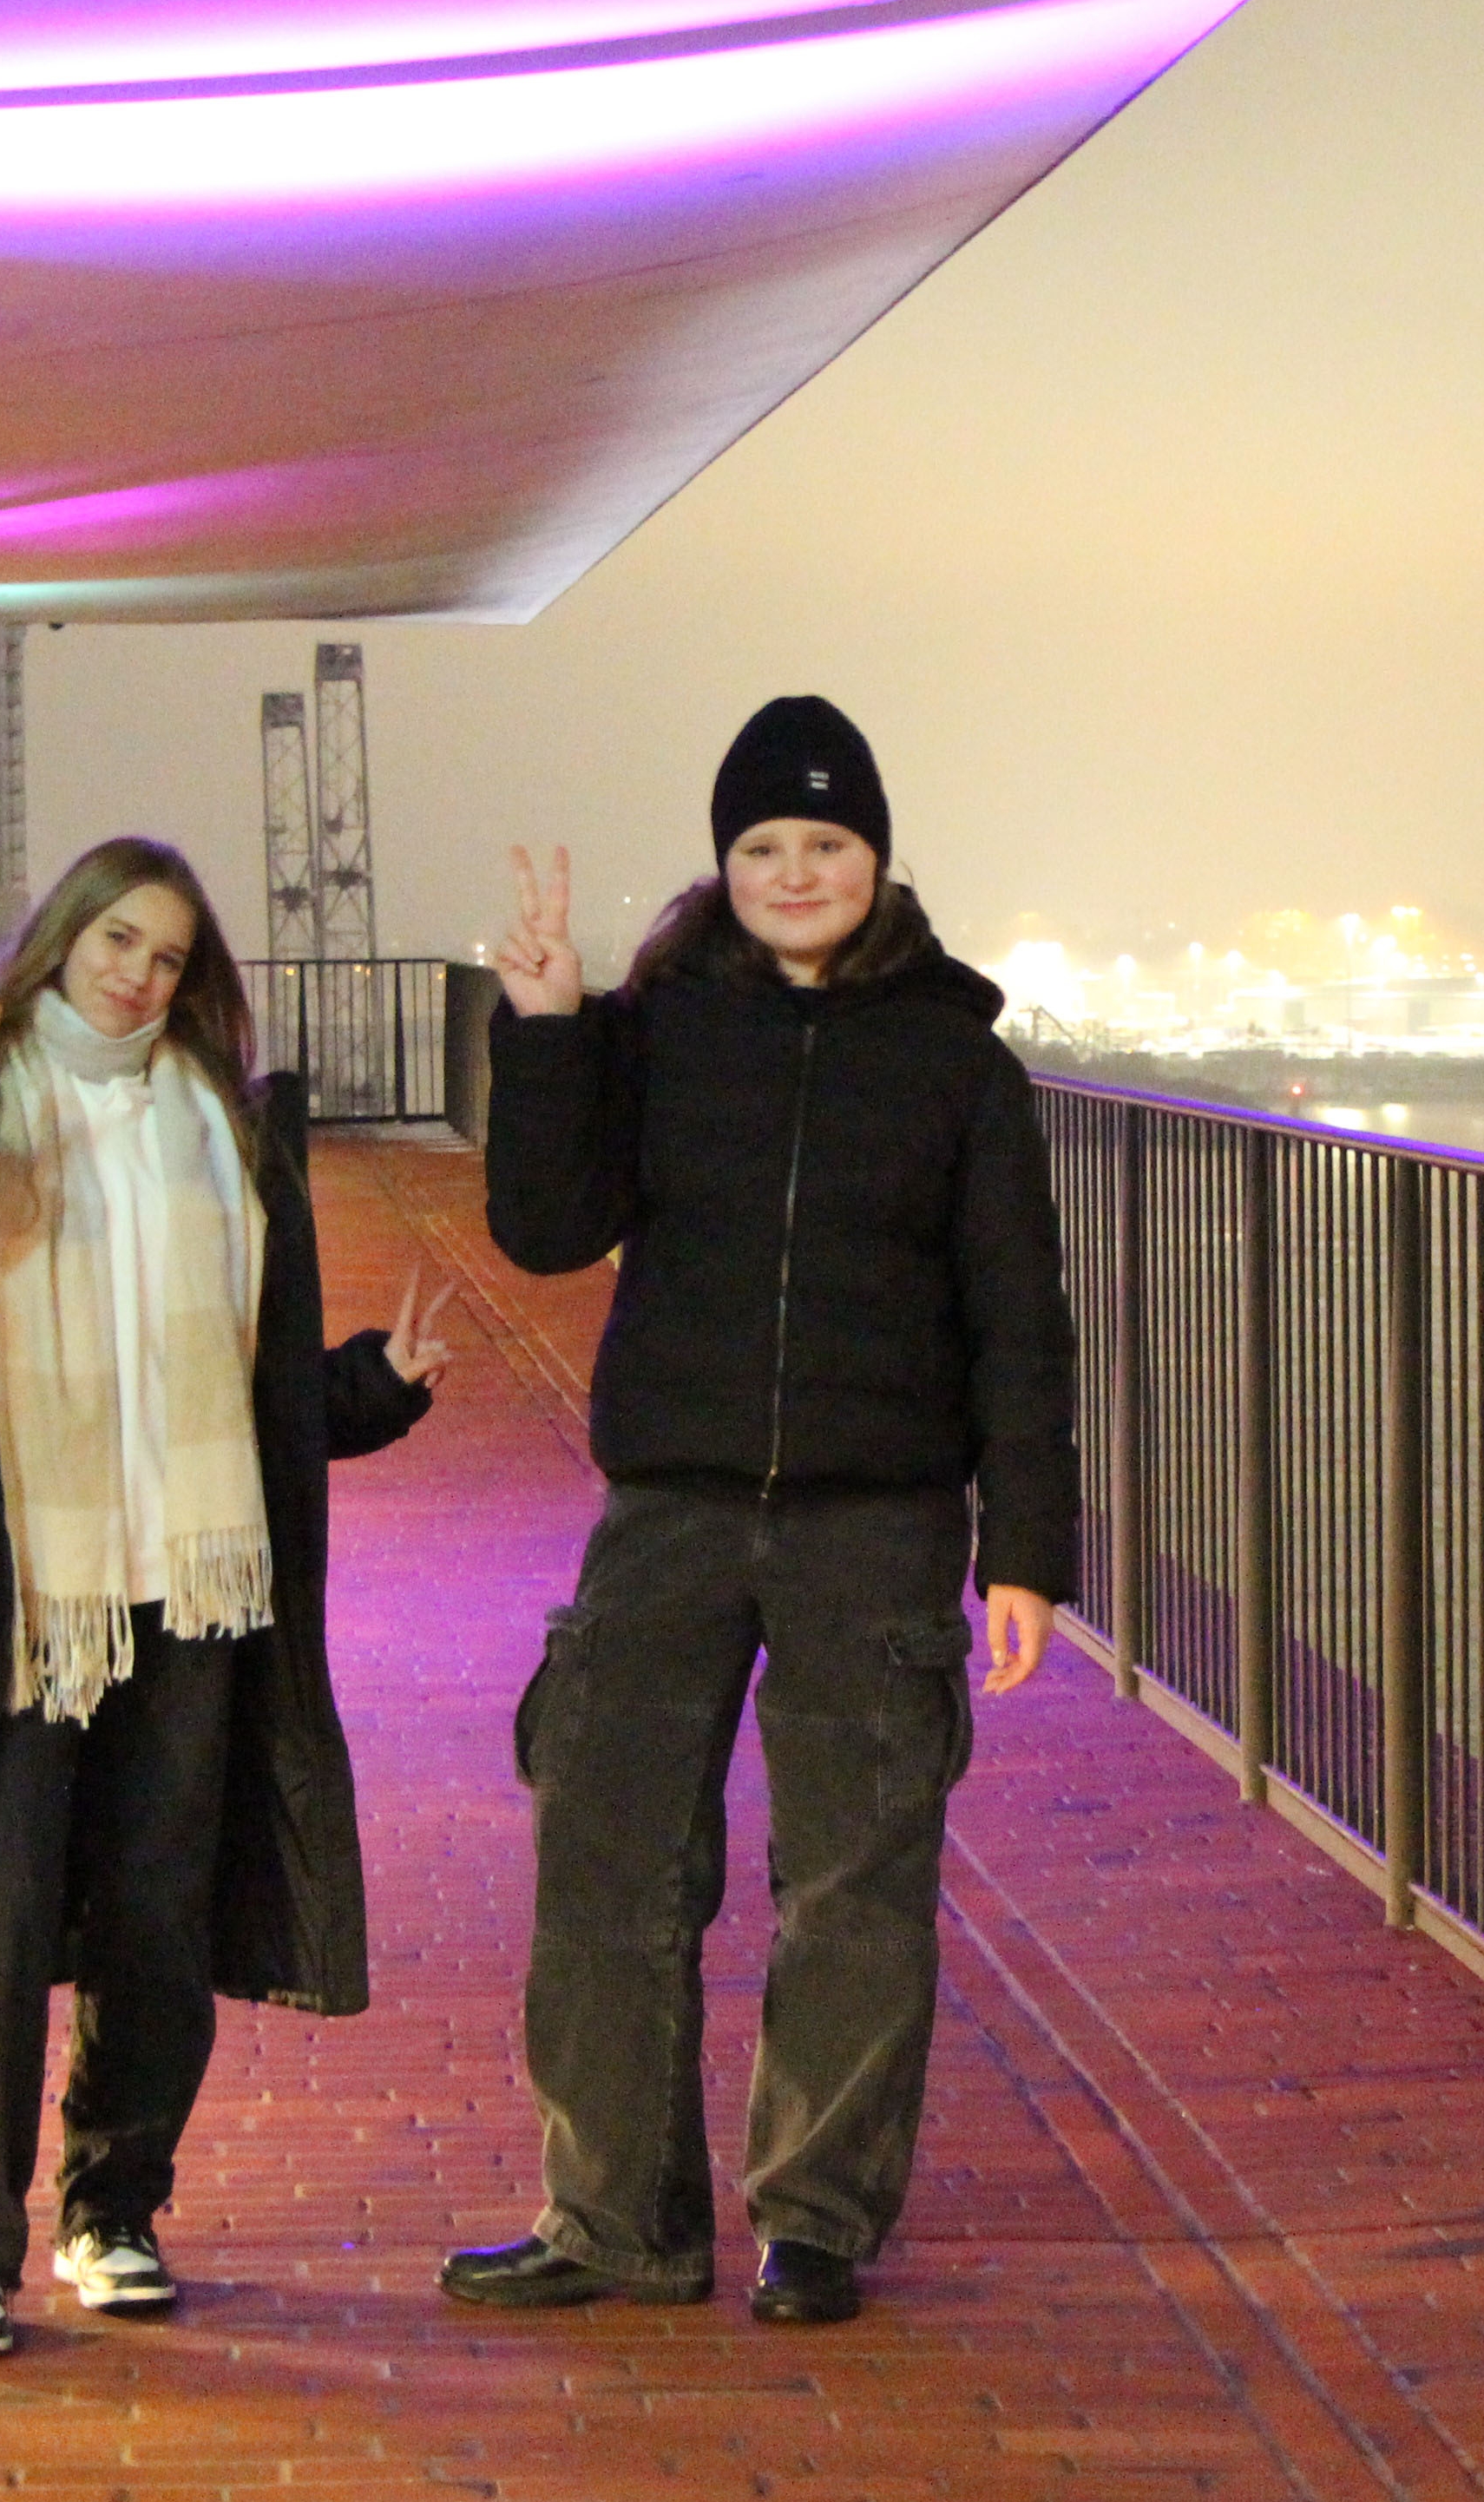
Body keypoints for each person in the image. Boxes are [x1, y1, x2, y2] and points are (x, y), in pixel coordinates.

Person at [0, 837, 450, 2358]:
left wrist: (372, 1388)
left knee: (156, 1910)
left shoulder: (221, 1123)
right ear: (61, 936)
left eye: (169, 956)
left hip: (190, 1586)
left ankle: (115, 2206)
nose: (138, 974)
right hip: (22, 1588)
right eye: (118, 939)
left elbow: (243, 1380)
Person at [444, 693, 1076, 2328]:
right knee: (606, 1858)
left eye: (828, 842)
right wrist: (547, 1030)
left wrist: (1025, 1552)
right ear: (724, 864)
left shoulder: (955, 1061)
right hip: (671, 1504)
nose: (796, 872)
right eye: (764, 845)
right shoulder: (661, 1029)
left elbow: (1019, 1320)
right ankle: (613, 2219)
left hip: (879, 1521)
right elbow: (545, 1226)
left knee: (853, 1882)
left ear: (879, 858)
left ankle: (816, 2218)